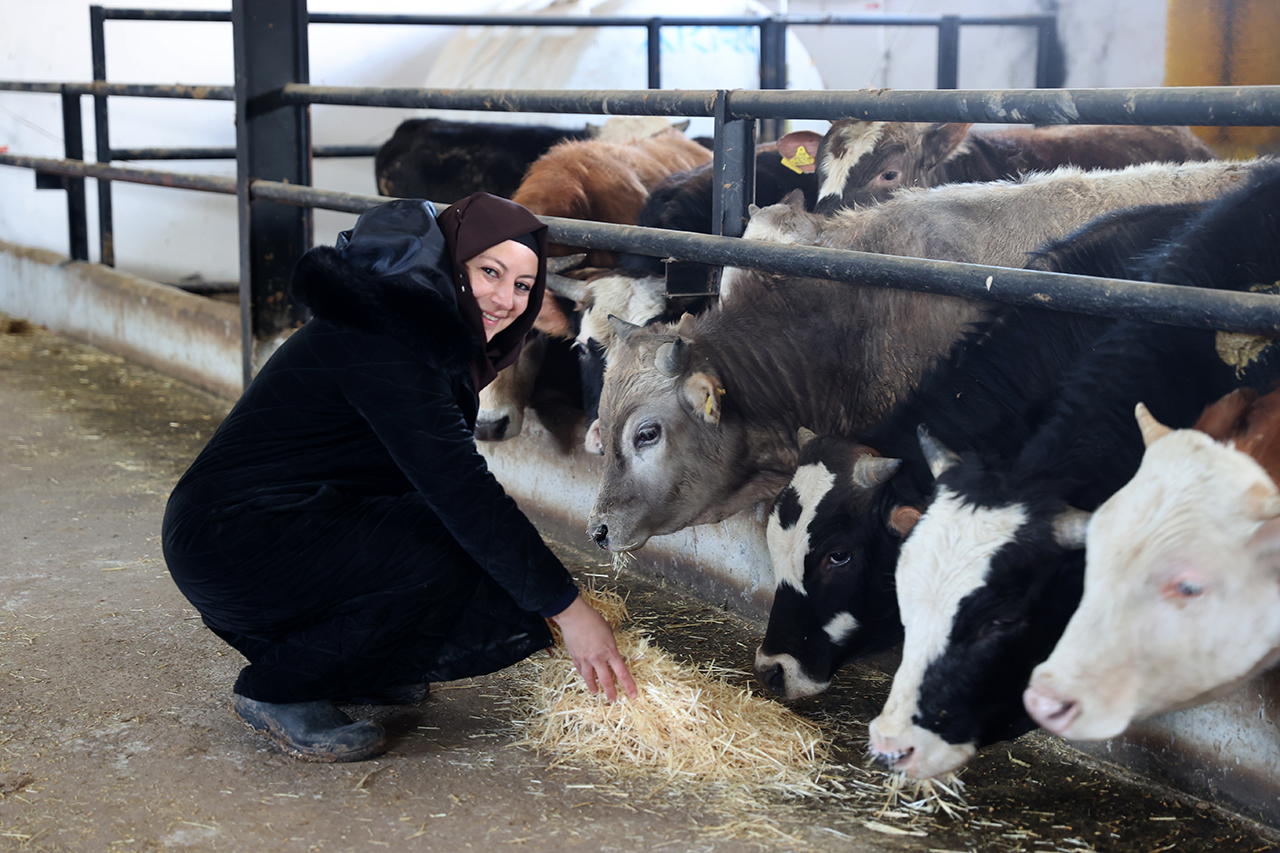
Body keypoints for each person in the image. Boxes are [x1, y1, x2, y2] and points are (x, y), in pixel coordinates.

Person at [162, 193, 637, 763]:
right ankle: (282, 690)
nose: (504, 299)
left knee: (466, 554)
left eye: (522, 286)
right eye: (489, 271)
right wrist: (568, 609)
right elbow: (458, 491)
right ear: (450, 265)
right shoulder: (389, 343)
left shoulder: (413, 333)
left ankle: (359, 666)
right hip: (235, 540)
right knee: (448, 547)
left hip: (280, 528)